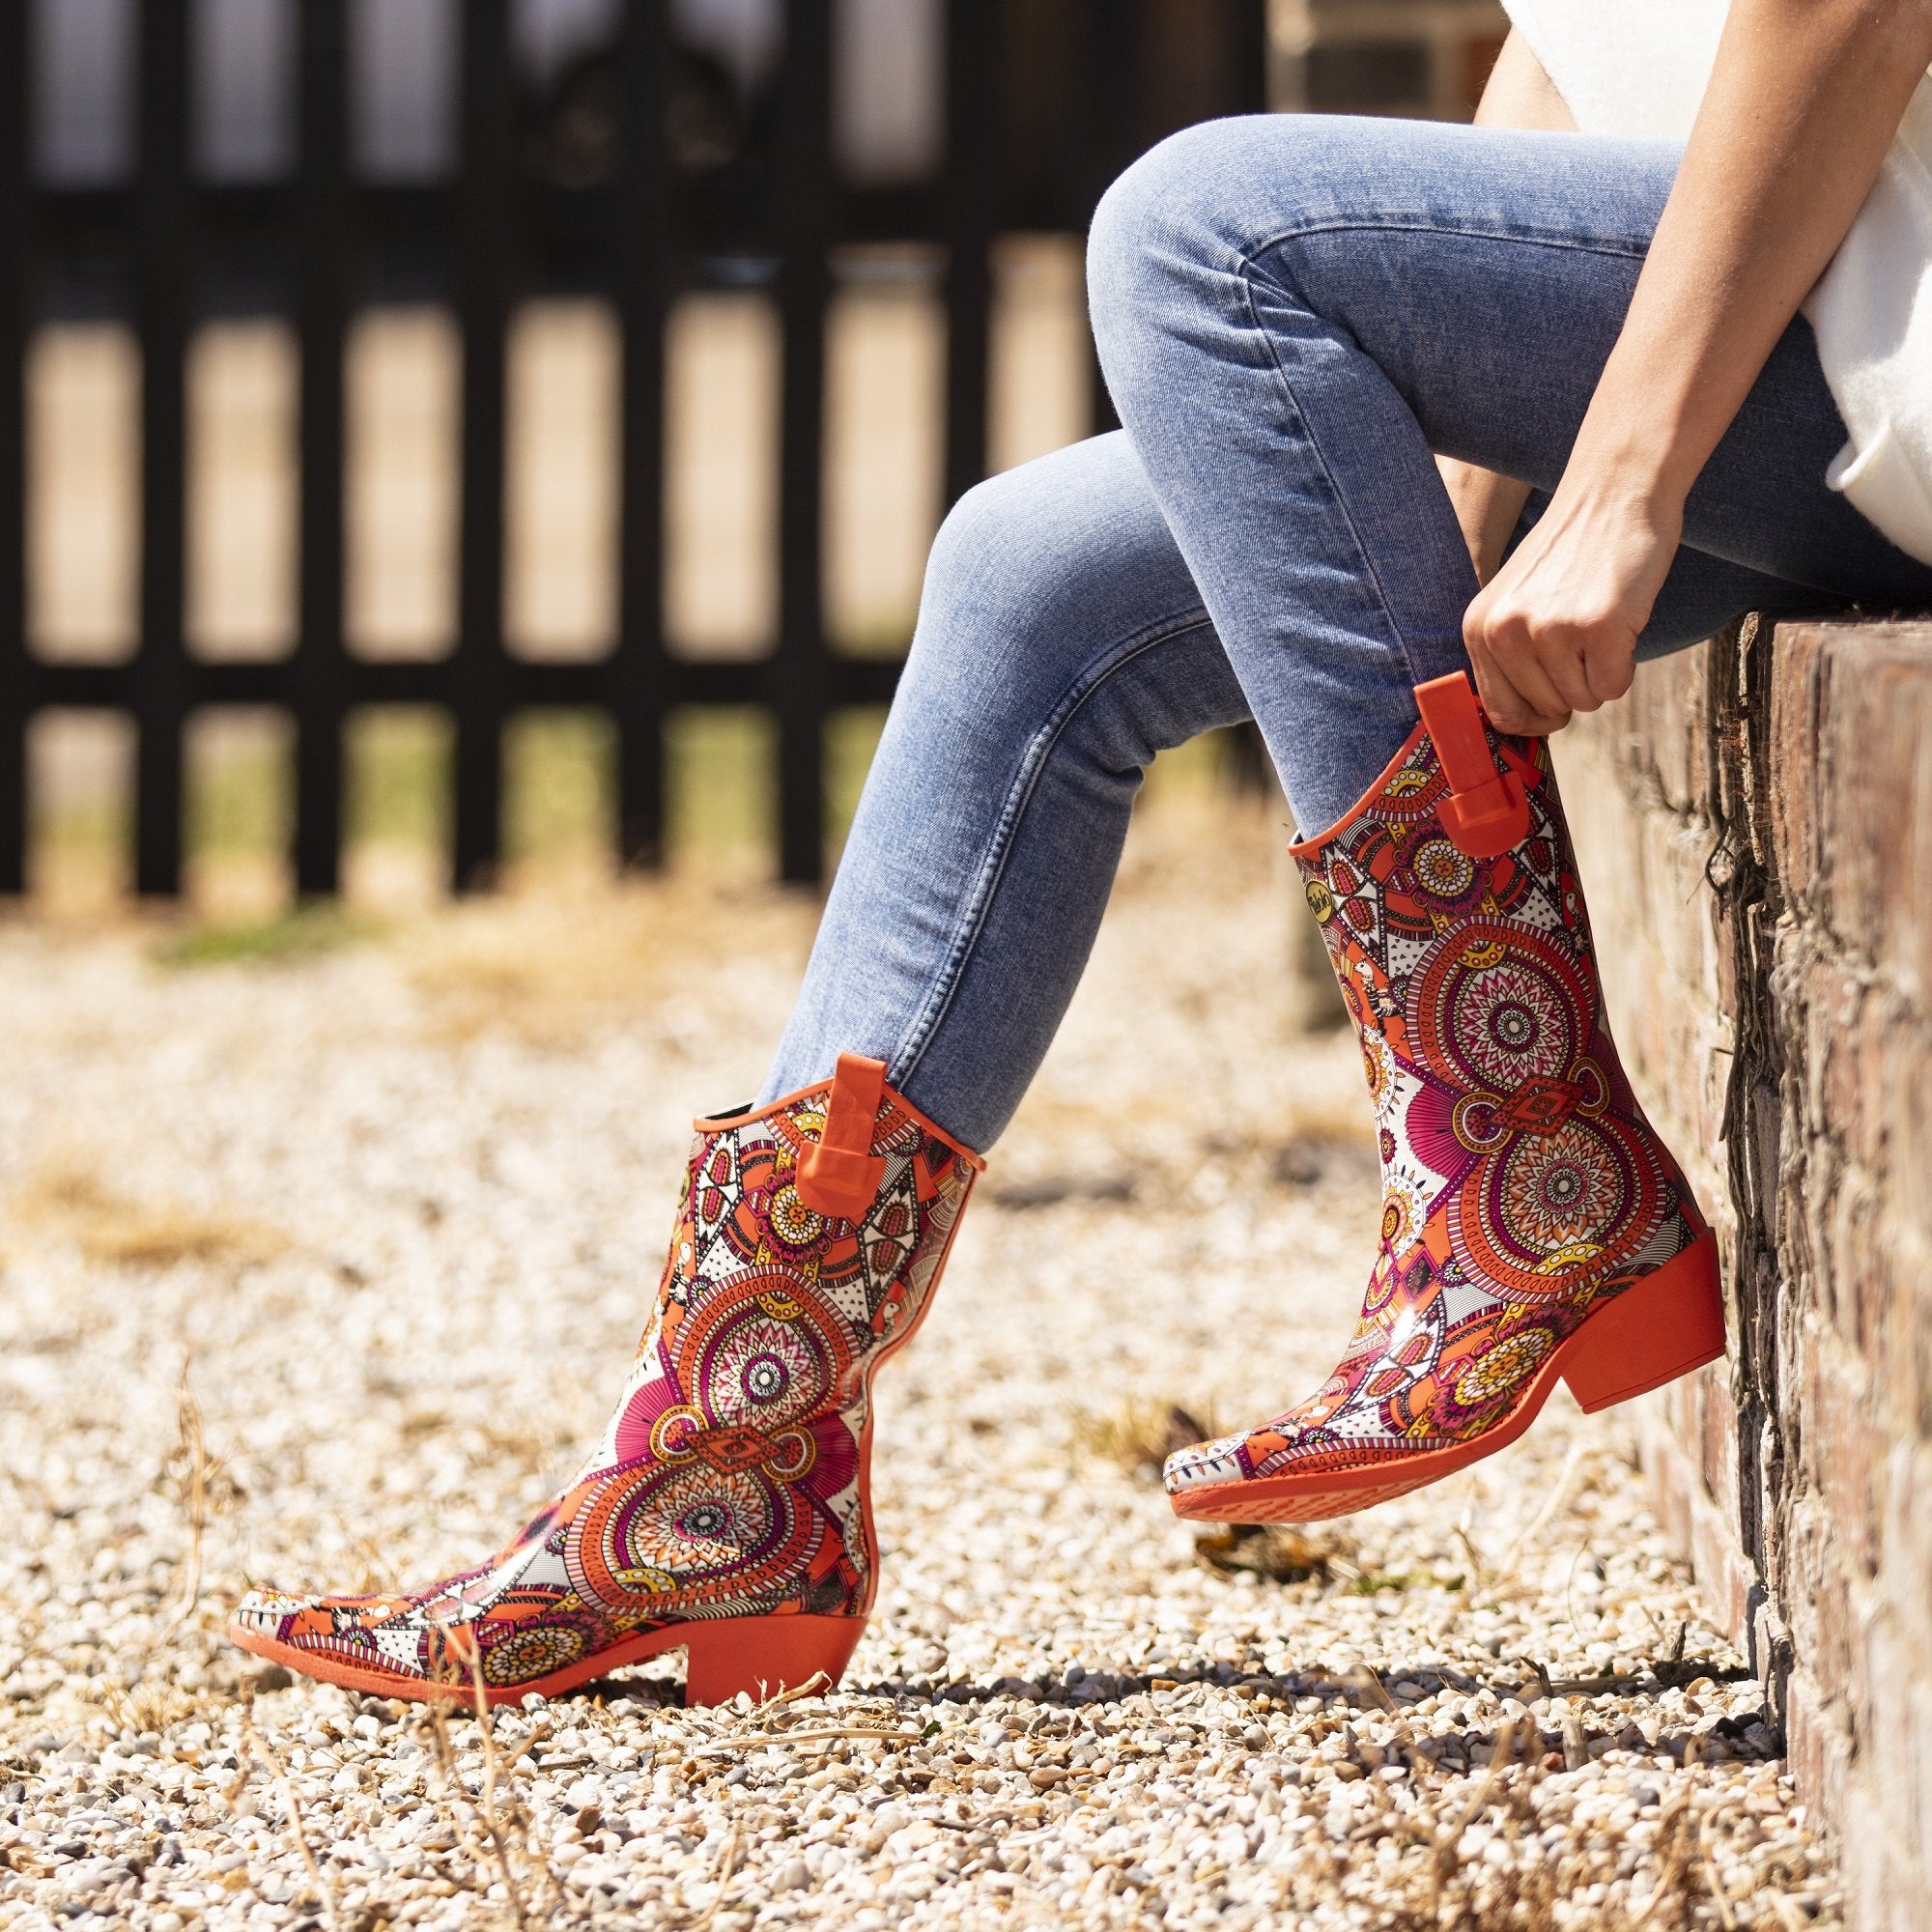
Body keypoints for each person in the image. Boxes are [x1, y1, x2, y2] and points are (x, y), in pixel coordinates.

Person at [231, 0, 1932, 1705]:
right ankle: (732, 1459)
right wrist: (1476, 500)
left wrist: (1627, 476)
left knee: (1203, 229)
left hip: (1886, 325)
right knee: (1029, 571)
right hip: (1801, 293)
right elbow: (1587, 35)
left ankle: (1527, 1163)